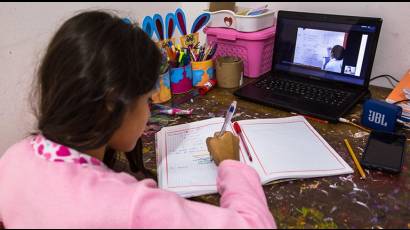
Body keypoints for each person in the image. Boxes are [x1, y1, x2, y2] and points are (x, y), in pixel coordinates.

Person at [0, 10, 276, 228]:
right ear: (112, 104)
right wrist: (231, 164)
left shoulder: (14, 158)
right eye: (147, 99)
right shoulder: (133, 207)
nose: (149, 109)